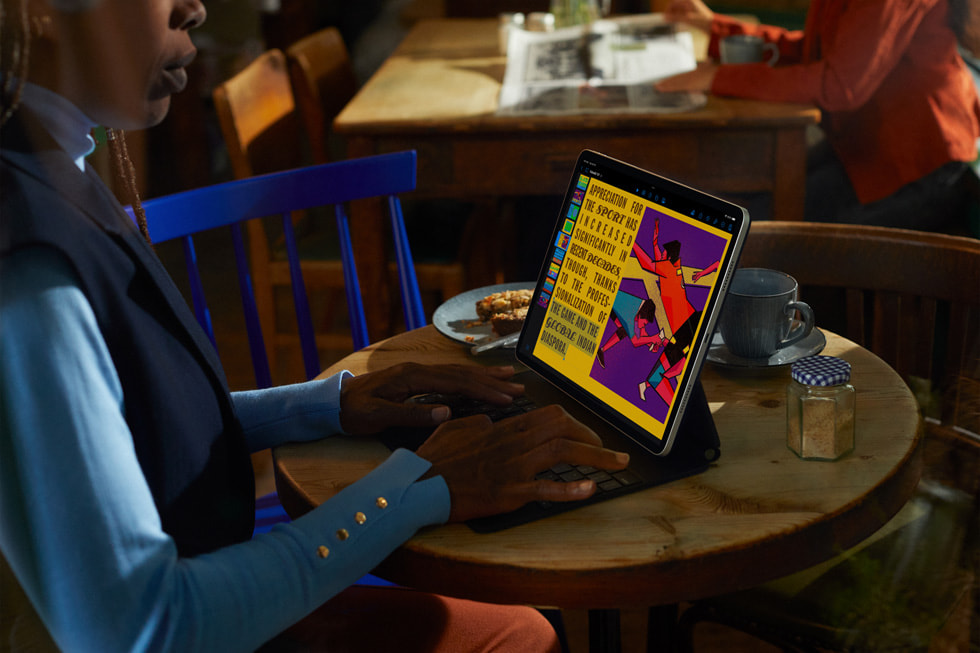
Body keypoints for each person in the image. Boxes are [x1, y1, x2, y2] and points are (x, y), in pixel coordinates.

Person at [0, 1, 631, 651]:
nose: (195, 7)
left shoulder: (49, 160)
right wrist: (418, 484)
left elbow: (140, 422)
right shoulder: (29, 269)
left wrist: (328, 403)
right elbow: (145, 626)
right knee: (521, 636)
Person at [656, 0, 980, 233]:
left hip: (918, 164)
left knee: (753, 231)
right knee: (744, 207)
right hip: (862, 147)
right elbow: (813, 51)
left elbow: (839, 84)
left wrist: (718, 78)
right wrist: (715, 27)